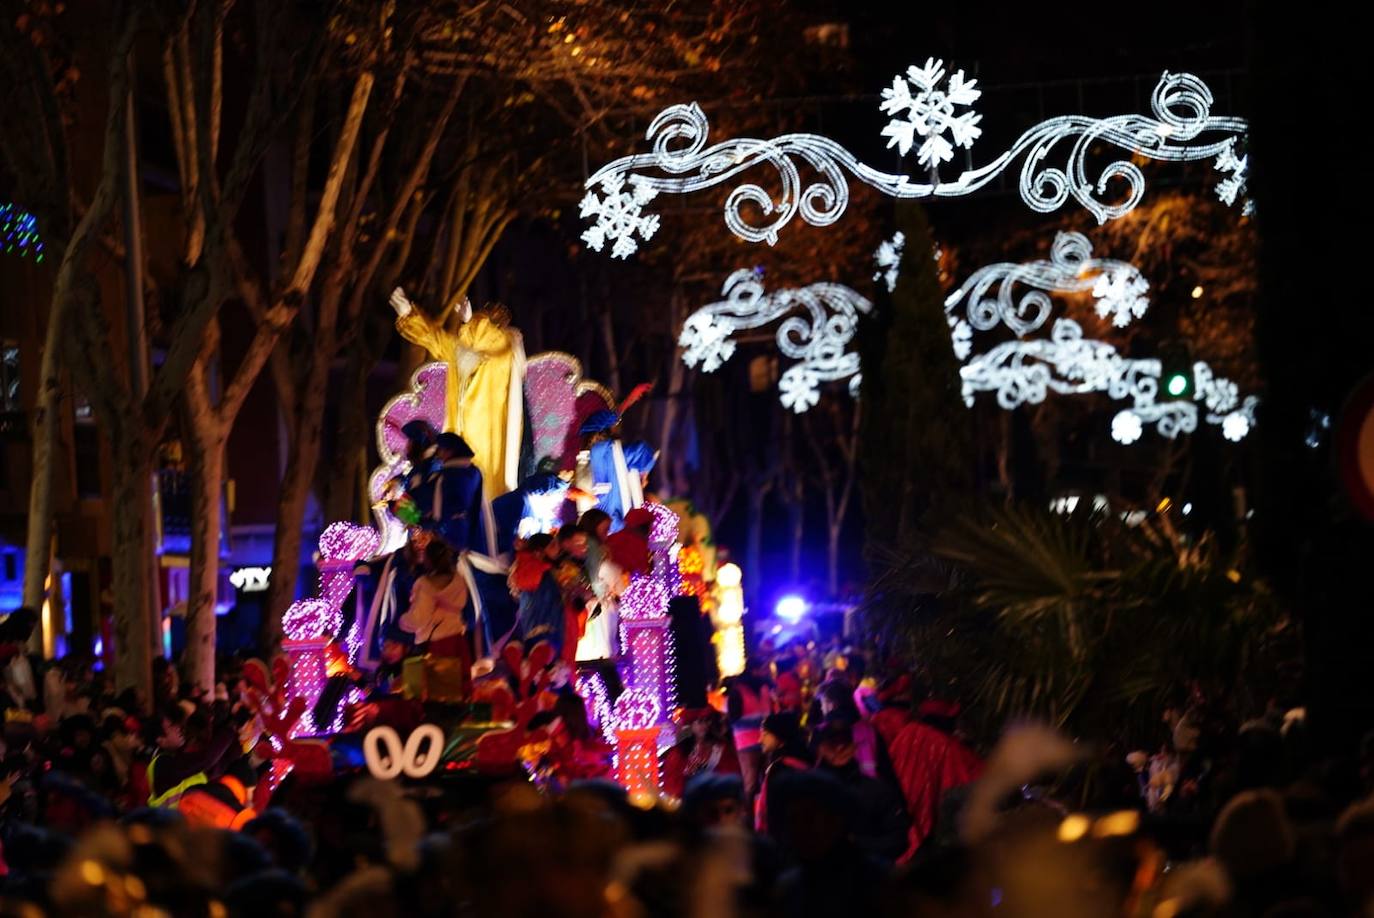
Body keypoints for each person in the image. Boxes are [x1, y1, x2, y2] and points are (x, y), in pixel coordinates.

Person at [390, 286, 525, 499]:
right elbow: (435, 338)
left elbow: (491, 342)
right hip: (460, 438)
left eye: (481, 323)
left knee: (483, 487)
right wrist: (408, 314)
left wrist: (471, 319)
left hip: (488, 438)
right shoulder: (462, 352)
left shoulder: (502, 355)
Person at [813, 719, 910, 864]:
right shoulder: (809, 792)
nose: (840, 748)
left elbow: (899, 838)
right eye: (833, 743)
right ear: (821, 748)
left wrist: (856, 845)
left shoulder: (876, 790)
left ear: (853, 746)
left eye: (844, 742)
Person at [400, 540, 471, 674]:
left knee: (436, 690)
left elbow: (419, 618)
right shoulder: (459, 579)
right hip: (457, 639)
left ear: (429, 560)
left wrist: (403, 621)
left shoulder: (426, 585)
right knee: (455, 688)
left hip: (435, 644)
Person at [662, 708, 741, 800]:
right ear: (691, 724)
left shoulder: (721, 748)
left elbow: (731, 776)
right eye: (699, 722)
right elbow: (671, 786)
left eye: (707, 721)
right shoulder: (680, 751)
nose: (704, 725)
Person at [754, 711, 811, 836]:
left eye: (765, 733)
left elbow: (774, 814)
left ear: (780, 735)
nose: (760, 740)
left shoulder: (782, 768)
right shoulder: (805, 762)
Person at [726, 656, 776, 796]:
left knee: (768, 782)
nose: (766, 672)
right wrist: (763, 722)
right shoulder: (737, 691)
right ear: (754, 671)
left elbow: (770, 712)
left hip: (767, 743)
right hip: (747, 745)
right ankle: (749, 815)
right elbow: (733, 721)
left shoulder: (765, 688)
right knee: (751, 784)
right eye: (763, 669)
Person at [430, 431, 484, 553]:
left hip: (452, 532)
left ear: (450, 451)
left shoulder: (450, 474)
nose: (438, 454)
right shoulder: (473, 471)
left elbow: (449, 507)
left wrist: (436, 528)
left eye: (441, 449)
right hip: (468, 529)